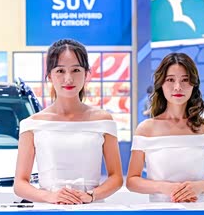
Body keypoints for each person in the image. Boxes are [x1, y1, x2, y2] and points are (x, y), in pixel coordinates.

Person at [13, 38, 123, 204]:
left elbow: (116, 177)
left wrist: (91, 195)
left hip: (91, 209)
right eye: (60, 71)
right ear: (49, 76)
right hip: (48, 210)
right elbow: (20, 184)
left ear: (86, 74)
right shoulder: (32, 124)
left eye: (76, 70)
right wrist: (50, 196)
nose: (68, 79)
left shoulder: (103, 120)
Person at [126, 53, 204, 203]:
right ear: (161, 84)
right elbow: (132, 181)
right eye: (170, 80)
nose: (178, 87)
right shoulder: (146, 129)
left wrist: (200, 186)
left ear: (193, 84)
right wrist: (163, 187)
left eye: (185, 80)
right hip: (159, 212)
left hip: (199, 211)